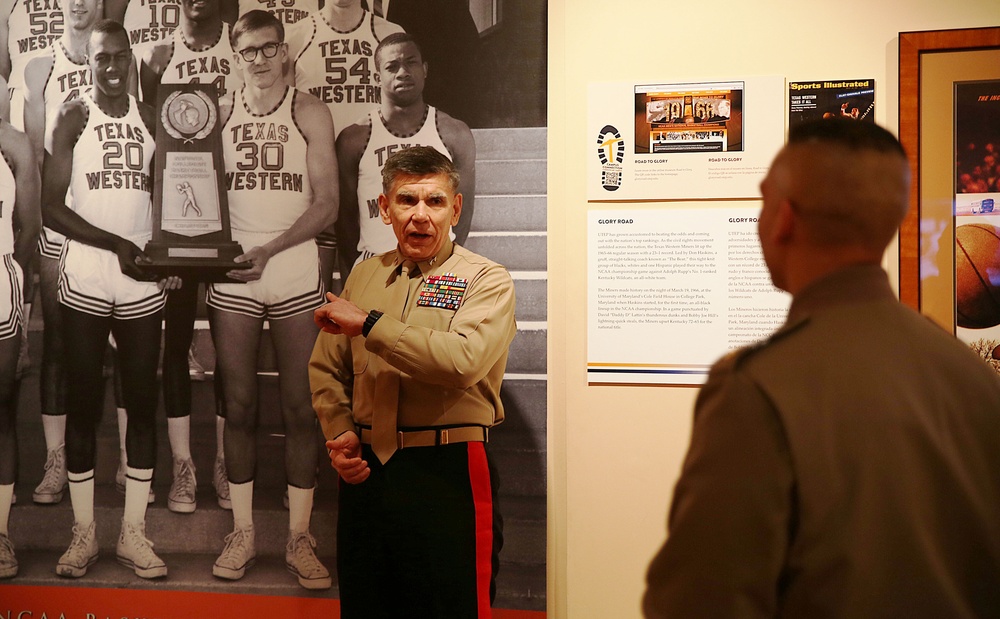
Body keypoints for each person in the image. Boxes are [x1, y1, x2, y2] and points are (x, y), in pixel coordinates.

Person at [642, 118, 1000, 618]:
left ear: (784, 218)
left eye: (763, 201)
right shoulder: (973, 379)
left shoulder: (757, 389)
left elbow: (698, 602)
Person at [310, 145, 515, 617]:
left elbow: (463, 361)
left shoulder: (487, 279)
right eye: (407, 201)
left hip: (448, 473)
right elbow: (327, 366)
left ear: (455, 209)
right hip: (367, 475)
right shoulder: (364, 275)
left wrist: (369, 324)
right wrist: (339, 430)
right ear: (385, 208)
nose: (420, 216)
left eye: (435, 201)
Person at [43, 19, 178, 579]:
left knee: (141, 403)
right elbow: (51, 208)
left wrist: (169, 255)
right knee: (83, 405)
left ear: (131, 58)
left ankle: (133, 534)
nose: (114, 67)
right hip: (89, 275)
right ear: (89, 62)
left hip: (141, 278)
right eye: (103, 58)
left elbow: (176, 193)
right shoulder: (73, 115)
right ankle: (83, 534)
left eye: (122, 57)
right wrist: (115, 244)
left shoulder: (151, 118)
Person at [208, 9, 336, 590]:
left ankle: (298, 537)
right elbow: (191, 186)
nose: (258, 59)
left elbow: (328, 204)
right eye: (247, 51)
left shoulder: (307, 109)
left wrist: (272, 248)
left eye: (267, 49)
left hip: (290, 265)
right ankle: (243, 532)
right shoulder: (218, 110)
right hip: (235, 270)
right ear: (234, 57)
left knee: (299, 408)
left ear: (285, 51)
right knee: (237, 407)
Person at [138, 0, 244, 513]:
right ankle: (184, 466)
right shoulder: (158, 54)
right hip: (181, 218)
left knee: (230, 347)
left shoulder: (237, 44)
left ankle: (225, 460)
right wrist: (161, 238)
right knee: (177, 340)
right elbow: (152, 148)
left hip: (233, 217)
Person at [19, 0, 105, 506]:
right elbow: (31, 152)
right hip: (58, 220)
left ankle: (109, 465)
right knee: (56, 343)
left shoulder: (119, 57)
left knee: (104, 344)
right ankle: (55, 459)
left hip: (103, 216)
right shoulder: (39, 66)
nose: (78, 3)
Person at [335, 32, 475, 284]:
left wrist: (439, 257)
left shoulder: (454, 132)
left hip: (437, 267)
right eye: (392, 66)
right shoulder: (354, 138)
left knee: (432, 326)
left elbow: (461, 213)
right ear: (377, 77)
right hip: (375, 263)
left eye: (411, 62)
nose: (403, 72)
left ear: (424, 69)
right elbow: (345, 220)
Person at [286, 0, 404, 295]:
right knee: (315, 289)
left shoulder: (389, 33)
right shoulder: (297, 35)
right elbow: (287, 109)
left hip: (369, 170)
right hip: (316, 171)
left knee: (370, 288)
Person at [0, 112, 42, 580]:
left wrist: (10, 276)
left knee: (2, 406)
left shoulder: (11, 143)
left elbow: (29, 227)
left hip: (0, 277)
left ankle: (1, 531)